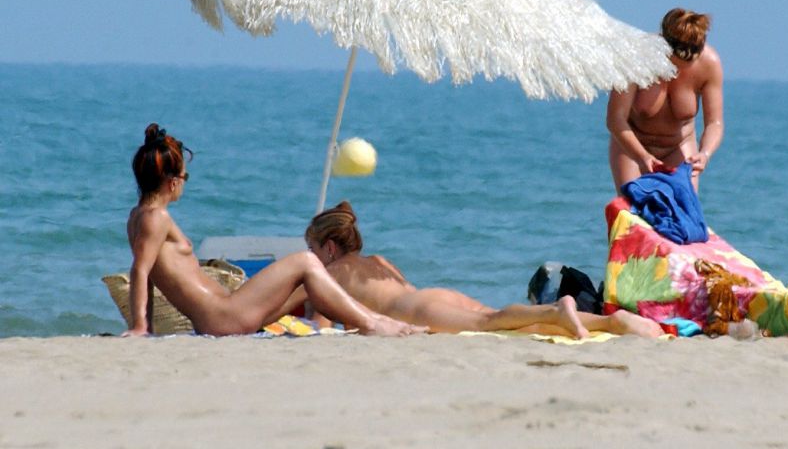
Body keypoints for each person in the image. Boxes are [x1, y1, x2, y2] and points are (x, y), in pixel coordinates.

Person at [125, 124, 421, 337]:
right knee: (306, 262)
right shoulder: (156, 218)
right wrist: (140, 327)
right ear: (173, 181)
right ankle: (372, 323)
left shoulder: (137, 218)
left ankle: (373, 319)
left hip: (223, 314)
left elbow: (147, 273)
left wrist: (146, 326)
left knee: (306, 278)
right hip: (224, 317)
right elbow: (140, 271)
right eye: (185, 176)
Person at [304, 202, 664, 338]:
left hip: (418, 311)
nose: (311, 258)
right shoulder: (377, 263)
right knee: (503, 324)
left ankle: (557, 309)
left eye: (313, 250)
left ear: (330, 247)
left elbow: (320, 328)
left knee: (490, 323)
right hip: (432, 296)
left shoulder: (329, 275)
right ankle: (612, 323)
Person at [607, 7, 724, 193]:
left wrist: (705, 153)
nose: (681, 68)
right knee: (634, 210)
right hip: (633, 147)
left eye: (691, 60)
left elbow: (714, 123)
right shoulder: (635, 58)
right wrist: (641, 156)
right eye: (678, 59)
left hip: (679, 146)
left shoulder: (709, 63)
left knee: (682, 211)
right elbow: (616, 119)